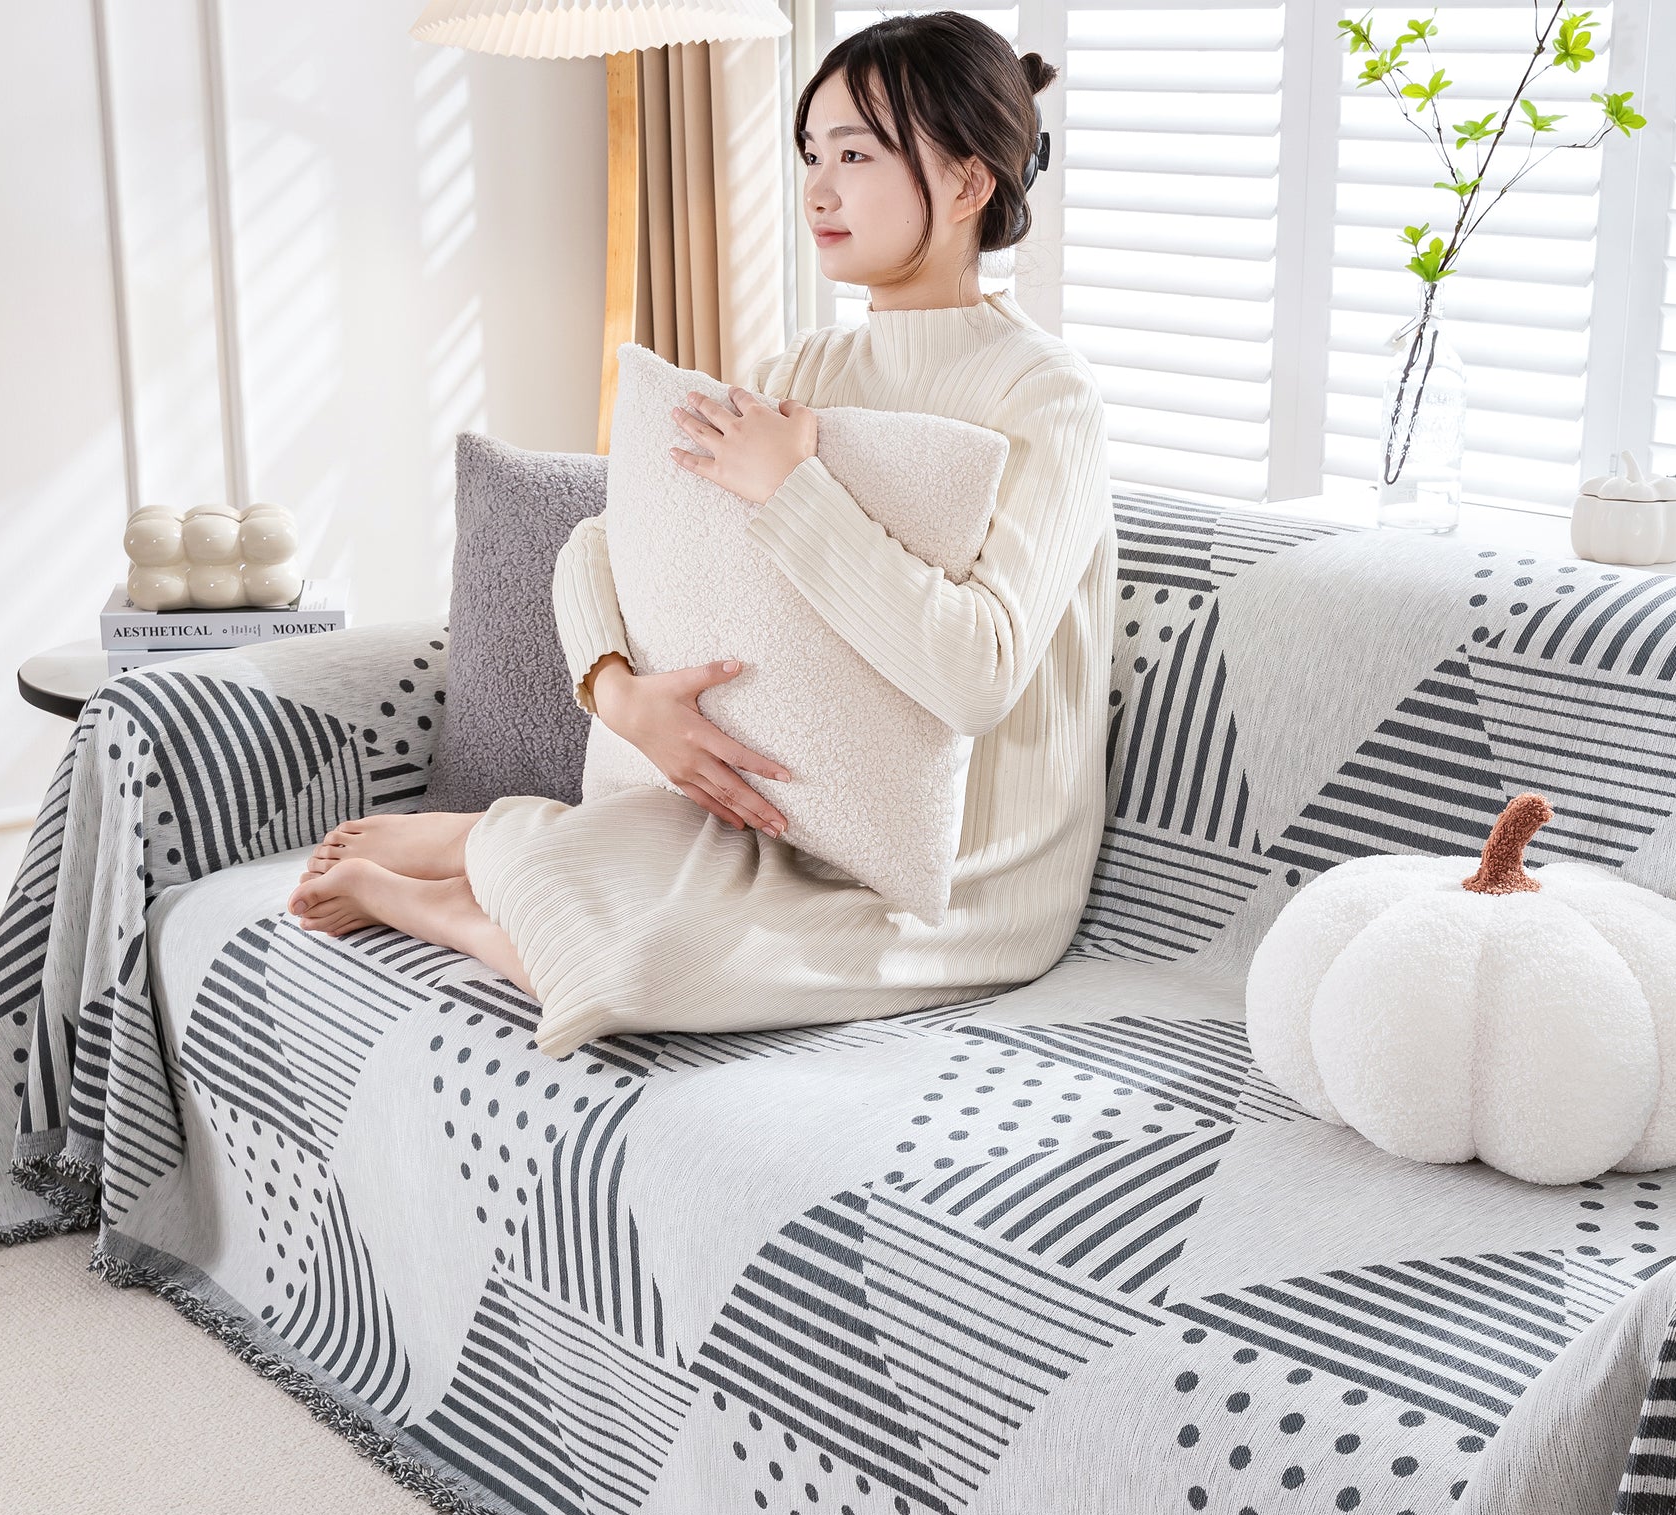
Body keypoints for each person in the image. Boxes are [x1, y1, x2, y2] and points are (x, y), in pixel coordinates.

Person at [285, 9, 1116, 1060]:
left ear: (966, 184)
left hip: (963, 885)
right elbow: (602, 545)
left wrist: (793, 491)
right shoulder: (801, 372)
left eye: (856, 155)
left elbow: (980, 673)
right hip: (791, 826)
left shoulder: (1045, 394)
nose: (816, 189)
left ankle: (457, 884)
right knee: (640, 883)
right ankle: (504, 855)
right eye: (810, 154)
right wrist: (618, 693)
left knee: (640, 963)